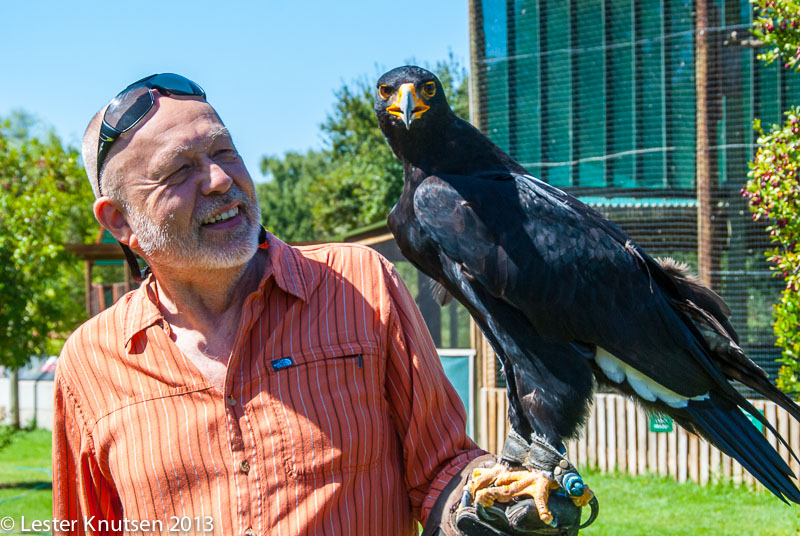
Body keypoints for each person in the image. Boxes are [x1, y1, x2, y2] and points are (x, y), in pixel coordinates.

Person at [52, 73, 505, 535]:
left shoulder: (362, 287)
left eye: (225, 152)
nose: (220, 179)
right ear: (119, 220)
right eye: (179, 171)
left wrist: (493, 504)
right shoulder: (90, 360)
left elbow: (443, 471)